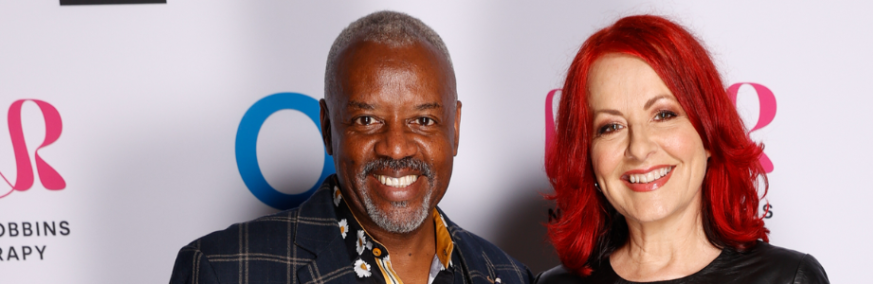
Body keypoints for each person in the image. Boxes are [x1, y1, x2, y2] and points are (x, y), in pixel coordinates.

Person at [170, 11, 532, 284]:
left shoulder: (509, 275)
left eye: (422, 121)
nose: (395, 148)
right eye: (367, 120)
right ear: (327, 128)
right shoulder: (225, 269)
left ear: (454, 128)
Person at [536, 15, 828, 283]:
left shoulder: (788, 278)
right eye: (610, 127)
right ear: (587, 155)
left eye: (664, 115)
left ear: (708, 133)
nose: (639, 148)